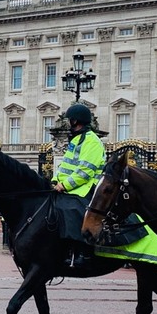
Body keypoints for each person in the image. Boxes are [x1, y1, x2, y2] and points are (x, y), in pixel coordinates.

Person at [52, 103, 106, 268]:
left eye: (70, 120)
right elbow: (65, 166)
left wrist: (65, 186)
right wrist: (55, 181)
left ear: (76, 121)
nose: (69, 123)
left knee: (73, 210)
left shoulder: (92, 141)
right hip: (75, 187)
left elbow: (85, 171)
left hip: (90, 187)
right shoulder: (76, 140)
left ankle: (84, 252)